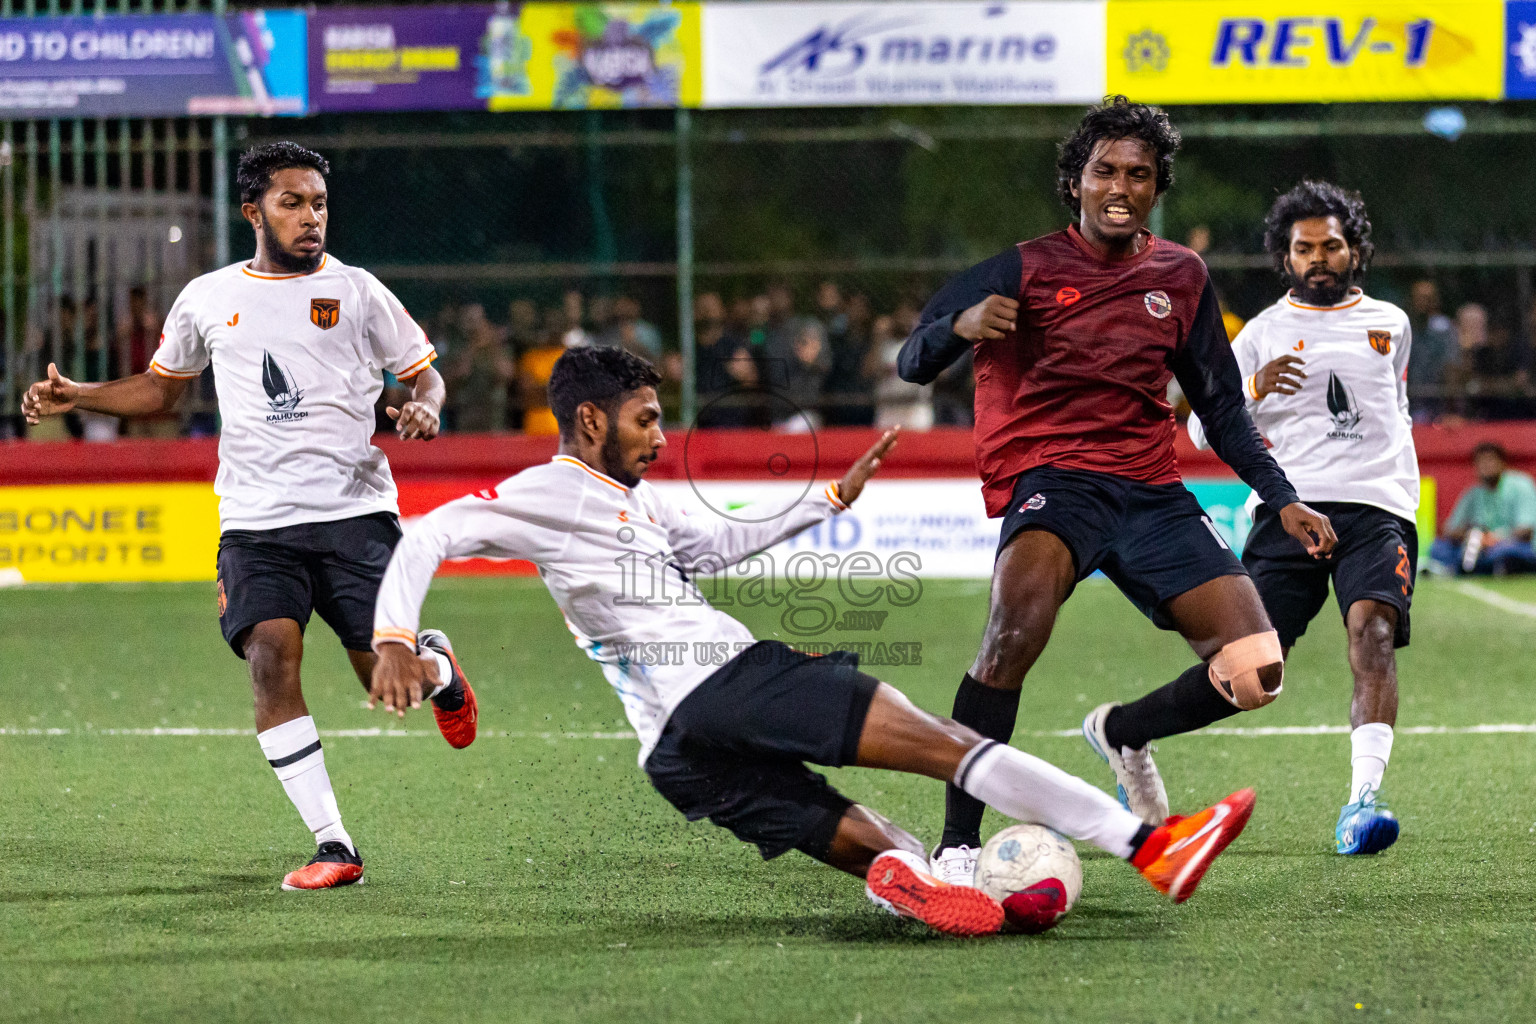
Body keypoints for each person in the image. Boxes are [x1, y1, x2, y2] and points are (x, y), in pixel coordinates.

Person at [367, 346, 1257, 937]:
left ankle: (905, 876)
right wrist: (395, 636)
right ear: (591, 421)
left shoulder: (634, 502)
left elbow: (717, 542)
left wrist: (827, 499)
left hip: (673, 753)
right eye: (645, 418)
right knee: (951, 746)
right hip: (722, 679)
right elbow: (428, 534)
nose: (661, 433)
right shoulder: (551, 489)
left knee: (876, 836)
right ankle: (1149, 844)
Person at [896, 96, 1336, 886]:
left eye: (1139, 173)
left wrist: (1282, 493)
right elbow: (911, 360)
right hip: (1054, 484)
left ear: (1158, 186)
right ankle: (958, 845)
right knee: (1011, 636)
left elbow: (1222, 407)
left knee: (1257, 671)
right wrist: (956, 328)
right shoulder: (1020, 267)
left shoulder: (1183, 275)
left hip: (1151, 491)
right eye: (1105, 171)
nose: (1121, 186)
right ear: (1076, 182)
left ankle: (1124, 732)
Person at [21, 142, 477, 891]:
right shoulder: (205, 296)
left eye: (319, 204)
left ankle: (440, 671)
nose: (311, 218)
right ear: (252, 210)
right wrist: (81, 395)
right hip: (255, 522)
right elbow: (164, 389)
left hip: (355, 512)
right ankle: (335, 845)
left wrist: (423, 409)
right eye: (292, 203)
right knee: (270, 657)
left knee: (381, 677)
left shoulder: (357, 290)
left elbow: (425, 374)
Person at [1189, 180, 1417, 855]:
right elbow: (1203, 429)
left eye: (1332, 246)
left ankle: (1362, 803)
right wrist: (1254, 389)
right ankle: (1127, 732)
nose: (1319, 258)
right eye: (1304, 249)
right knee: (1253, 670)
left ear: (1355, 251)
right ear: (1284, 258)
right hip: (1288, 512)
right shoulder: (1260, 333)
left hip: (1377, 508)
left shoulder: (1391, 323)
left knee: (1371, 632)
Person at [1429, 442, 1536, 574]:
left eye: (1491, 460)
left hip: (1513, 546)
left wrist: (1492, 539)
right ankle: (1476, 567)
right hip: (1478, 548)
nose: (1486, 465)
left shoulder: (1521, 485)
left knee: (1506, 551)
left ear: (1503, 463)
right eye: (1481, 462)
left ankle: (1487, 567)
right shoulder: (1473, 493)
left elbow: (1526, 532)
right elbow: (1449, 530)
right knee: (1437, 547)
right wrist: (1472, 536)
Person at [1405, 279, 1456, 421]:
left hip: (1438, 409)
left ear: (1435, 302)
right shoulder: (1400, 329)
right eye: (1419, 298)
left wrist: (1450, 411)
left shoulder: (1445, 330)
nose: (1423, 303)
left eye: (1428, 299)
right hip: (1405, 406)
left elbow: (1451, 369)